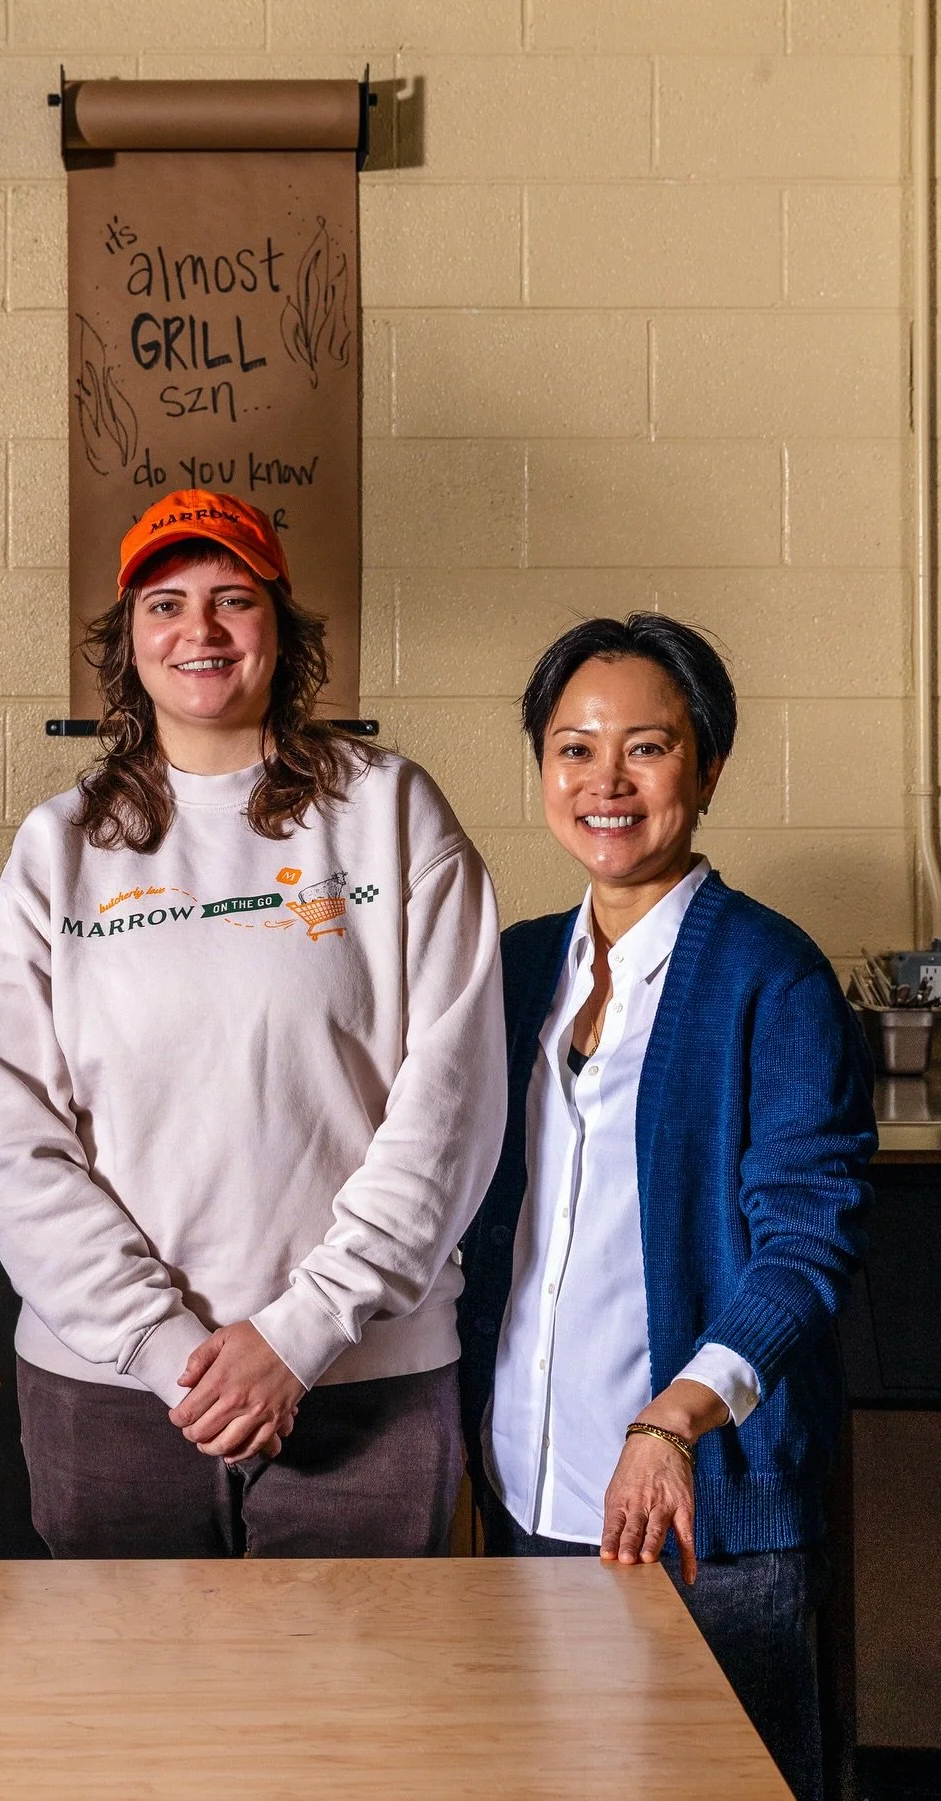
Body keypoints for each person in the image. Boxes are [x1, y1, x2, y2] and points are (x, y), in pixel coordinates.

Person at [0, 488, 506, 1559]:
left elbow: (450, 1110)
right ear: (128, 641)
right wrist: (169, 1349)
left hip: (365, 1385)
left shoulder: (392, 814)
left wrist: (298, 1338)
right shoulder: (60, 845)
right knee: (139, 1725)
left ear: (282, 631)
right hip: (113, 1394)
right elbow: (7, 1133)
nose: (198, 631)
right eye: (165, 603)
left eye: (232, 600)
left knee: (346, 1724)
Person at [457, 615, 874, 1800]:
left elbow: (805, 1241)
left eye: (648, 747)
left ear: (707, 767)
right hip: (532, 1491)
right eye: (574, 748)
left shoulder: (769, 972)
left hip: (701, 1509)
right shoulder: (521, 964)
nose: (606, 782)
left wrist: (672, 1424)